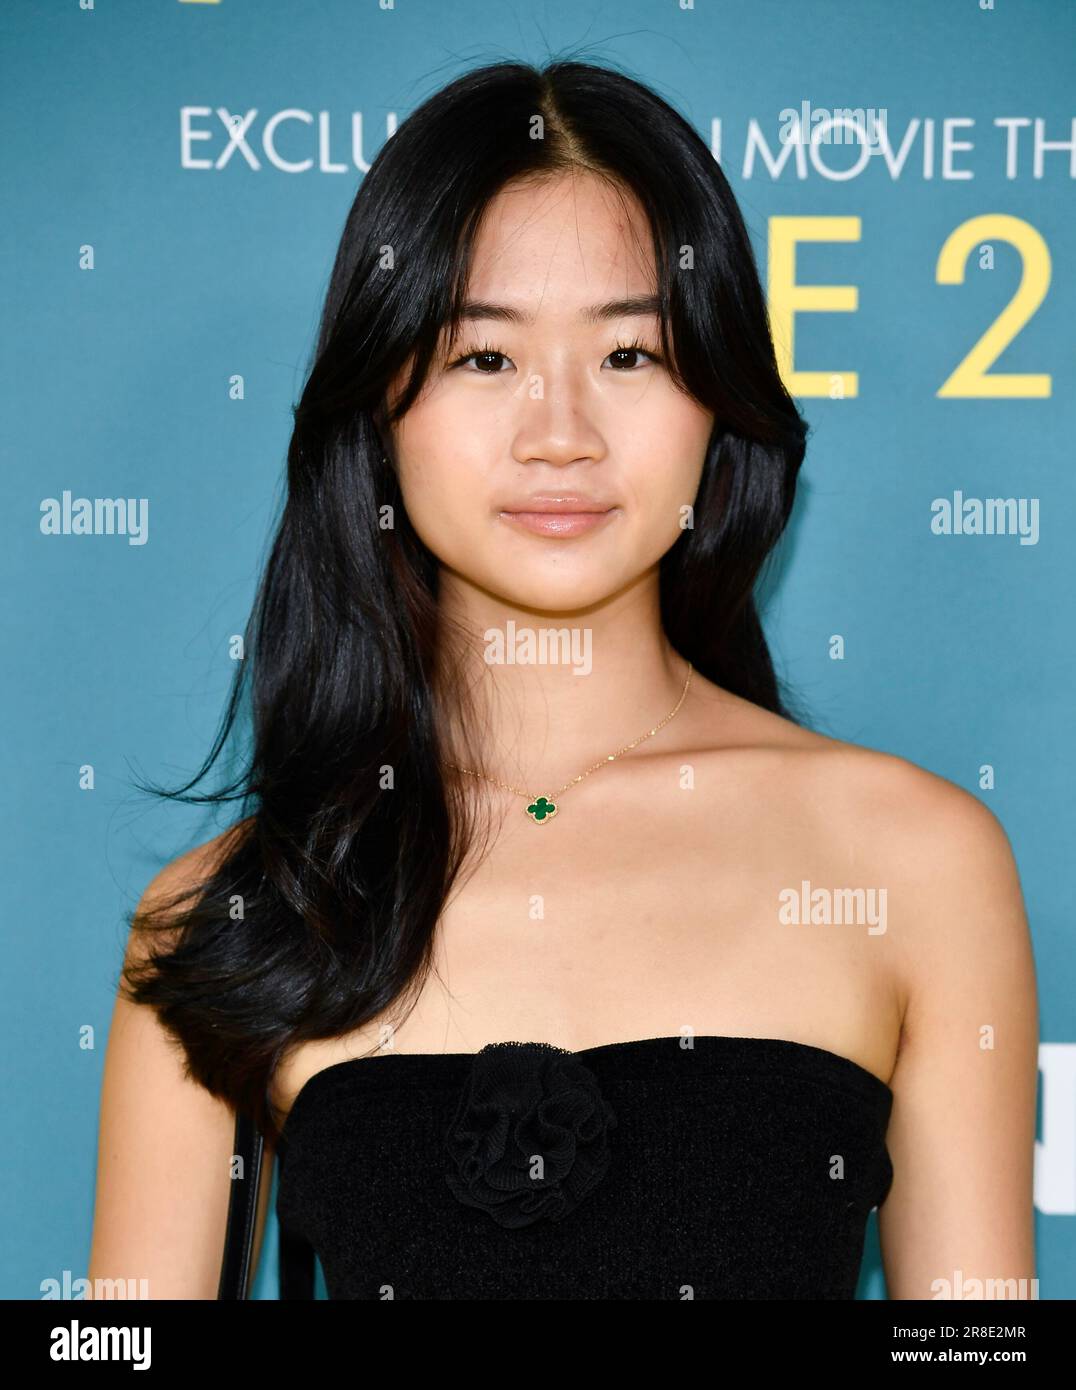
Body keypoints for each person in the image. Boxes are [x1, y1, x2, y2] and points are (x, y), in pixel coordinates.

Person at [88, 58, 1038, 1300]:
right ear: (381, 404)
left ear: (717, 397)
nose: (560, 432)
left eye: (630, 355)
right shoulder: (240, 908)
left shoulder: (912, 858)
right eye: (484, 358)